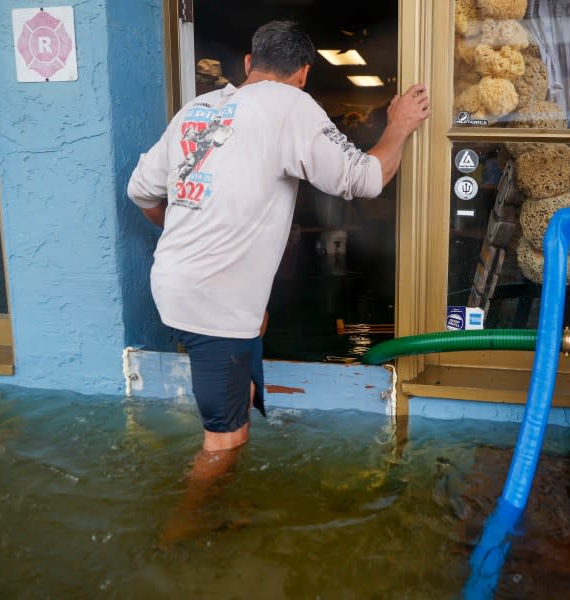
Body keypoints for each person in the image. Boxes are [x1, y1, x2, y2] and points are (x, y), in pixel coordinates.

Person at [126, 20, 430, 542]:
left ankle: (231, 504)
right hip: (213, 302)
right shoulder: (292, 106)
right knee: (225, 439)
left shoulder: (196, 110)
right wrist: (398, 126)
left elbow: (141, 192)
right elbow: (366, 179)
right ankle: (174, 538)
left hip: (177, 284)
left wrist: (185, 233)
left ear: (249, 63)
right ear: (304, 74)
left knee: (241, 369)